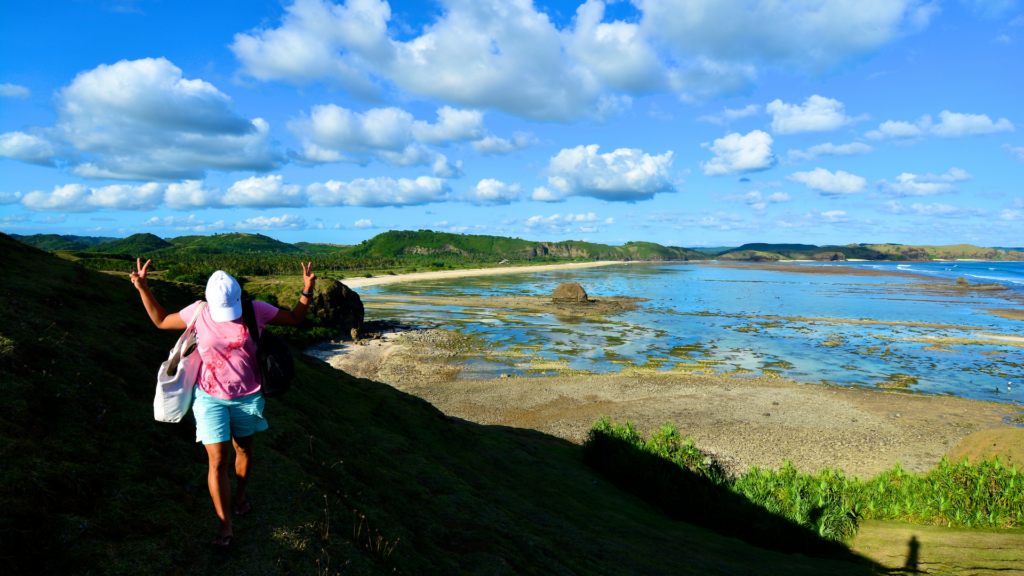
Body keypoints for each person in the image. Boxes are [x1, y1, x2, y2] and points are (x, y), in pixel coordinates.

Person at [131, 259, 317, 548]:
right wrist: (143, 288)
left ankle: (241, 493)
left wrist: (306, 291)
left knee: (244, 448)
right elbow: (160, 321)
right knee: (217, 460)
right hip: (209, 398)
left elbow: (294, 318)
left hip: (247, 396)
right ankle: (225, 523)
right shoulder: (199, 311)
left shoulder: (255, 310)